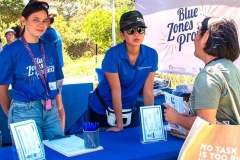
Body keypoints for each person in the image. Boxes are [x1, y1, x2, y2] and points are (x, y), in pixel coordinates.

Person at [0, 0, 65, 141]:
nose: (41, 25)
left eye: (44, 20)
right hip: (24, 112)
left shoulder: (50, 48)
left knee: (57, 153)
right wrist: (15, 114)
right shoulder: (10, 51)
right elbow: (1, 91)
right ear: (23, 20)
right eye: (35, 20)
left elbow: (58, 83)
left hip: (51, 111)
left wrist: (59, 109)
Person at [164, 17, 240, 130]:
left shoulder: (209, 75)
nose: (194, 39)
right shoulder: (230, 67)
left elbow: (205, 125)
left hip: (217, 145)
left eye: (197, 33)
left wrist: (177, 119)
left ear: (205, 37)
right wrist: (190, 118)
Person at [88, 10, 158, 132]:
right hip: (102, 108)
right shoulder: (112, 56)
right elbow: (116, 91)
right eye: (131, 31)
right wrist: (119, 125)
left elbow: (148, 91)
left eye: (140, 30)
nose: (136, 34)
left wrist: (151, 124)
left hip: (128, 108)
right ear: (122, 34)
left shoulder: (152, 55)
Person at [40, 9, 65, 130]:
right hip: (58, 73)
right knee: (59, 105)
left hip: (51, 75)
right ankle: (62, 131)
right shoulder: (55, 33)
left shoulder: (46, 35)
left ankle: (58, 133)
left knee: (53, 106)